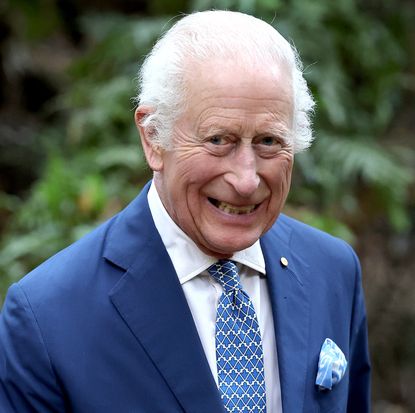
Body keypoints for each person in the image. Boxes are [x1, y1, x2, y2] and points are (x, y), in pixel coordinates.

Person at [0, 10, 370, 413]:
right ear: (153, 138)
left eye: (268, 141)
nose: (246, 179)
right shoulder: (48, 315)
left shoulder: (332, 271)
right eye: (218, 140)